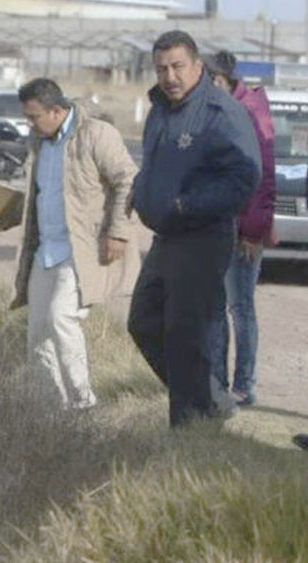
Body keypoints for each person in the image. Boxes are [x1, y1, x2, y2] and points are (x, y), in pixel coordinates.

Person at [127, 31, 262, 427]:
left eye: (177, 67)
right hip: (166, 237)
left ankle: (189, 429)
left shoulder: (220, 112)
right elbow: (157, 165)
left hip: (202, 236)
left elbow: (243, 177)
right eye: (161, 68)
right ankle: (212, 401)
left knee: (186, 335)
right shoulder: (160, 109)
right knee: (144, 322)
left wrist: (187, 204)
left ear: (197, 66)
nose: (169, 76)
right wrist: (140, 191)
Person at [11, 78, 140, 409]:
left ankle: (83, 404)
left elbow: (128, 179)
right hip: (46, 251)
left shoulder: (96, 134)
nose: (30, 124)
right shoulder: (38, 142)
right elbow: (34, 196)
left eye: (34, 117)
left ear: (56, 110)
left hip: (81, 251)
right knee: (38, 334)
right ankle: (53, 412)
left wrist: (118, 231)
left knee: (61, 318)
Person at [204, 50, 277, 408]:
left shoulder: (250, 110)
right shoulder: (213, 107)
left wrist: (253, 230)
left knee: (240, 308)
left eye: (212, 80)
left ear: (226, 79)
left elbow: (262, 175)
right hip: (217, 224)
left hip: (242, 230)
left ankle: (244, 385)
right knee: (216, 307)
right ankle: (217, 382)